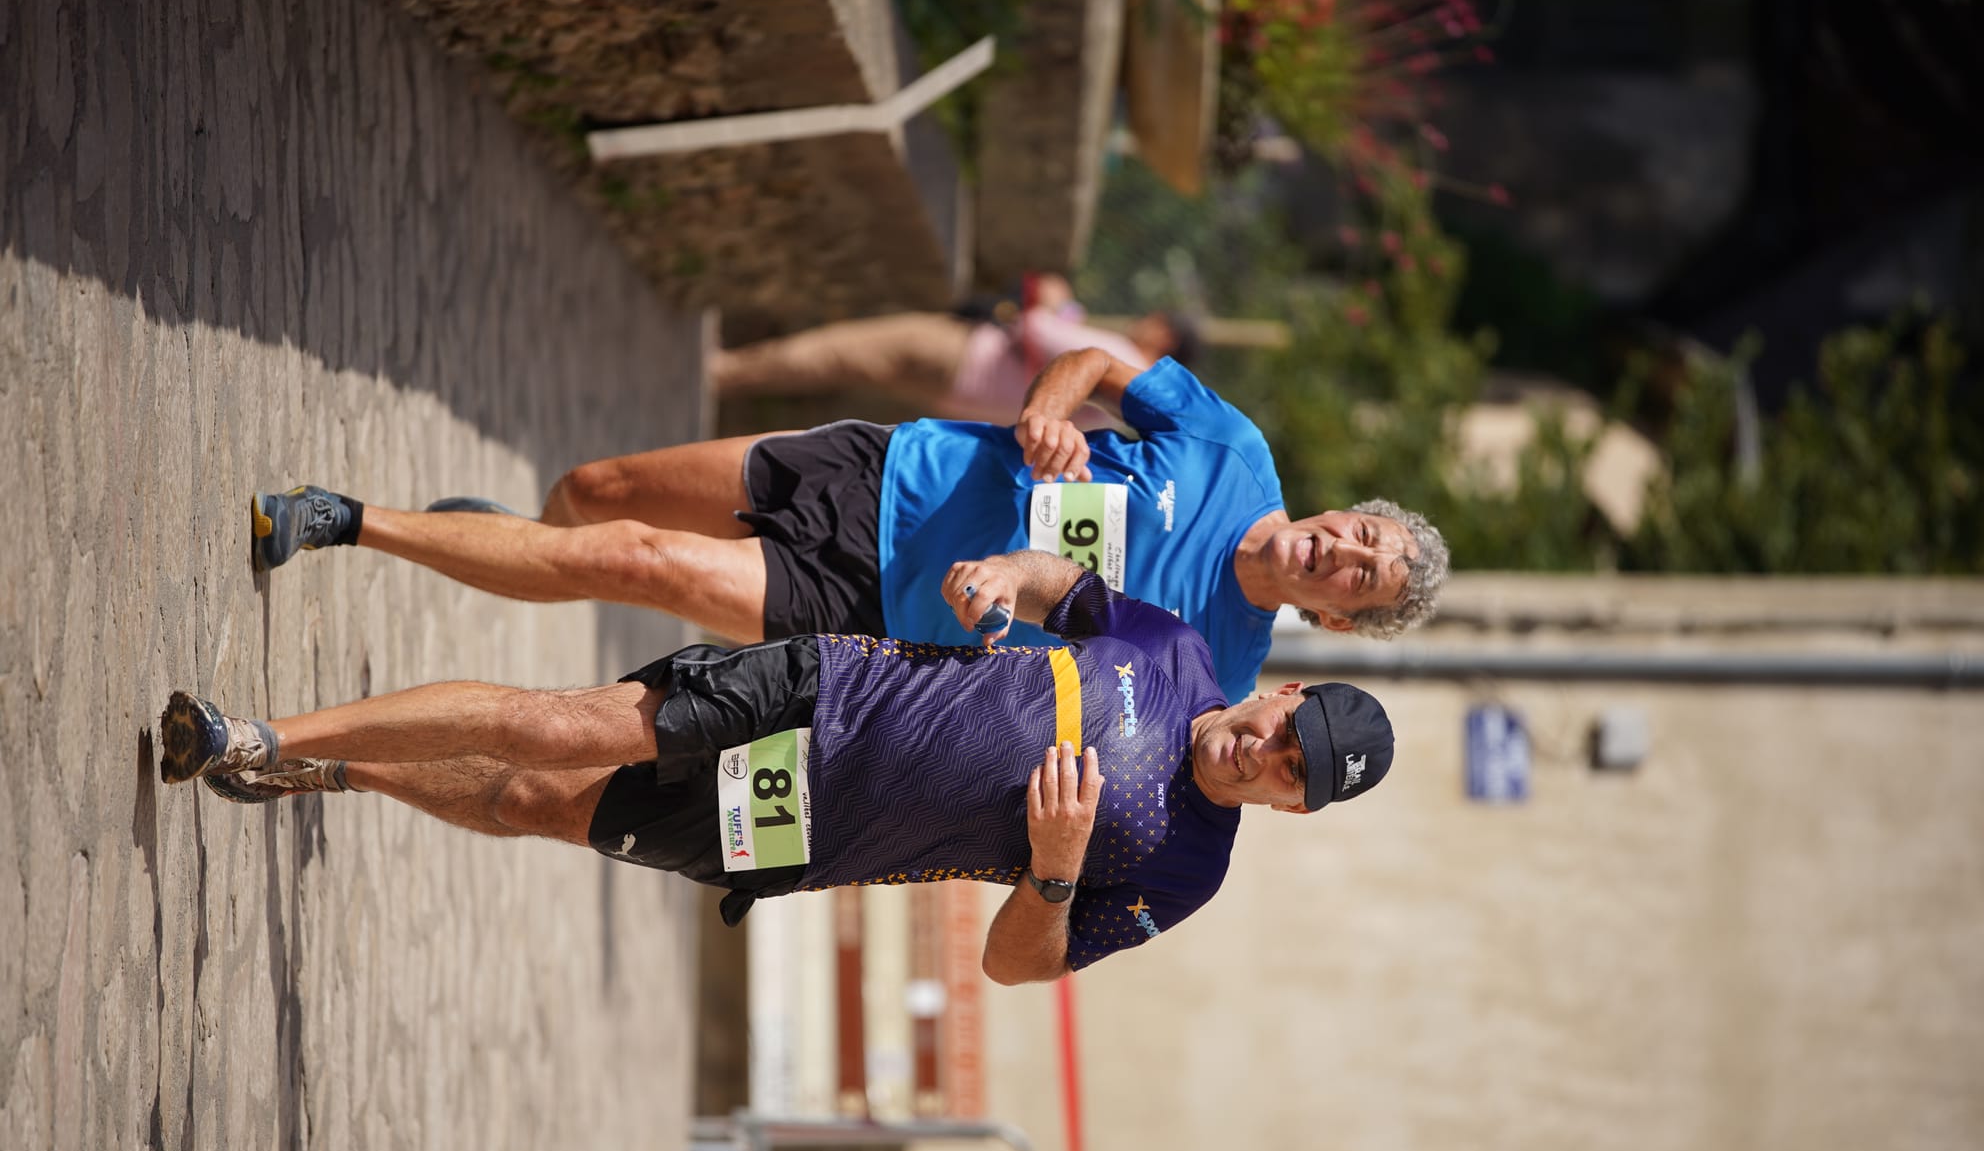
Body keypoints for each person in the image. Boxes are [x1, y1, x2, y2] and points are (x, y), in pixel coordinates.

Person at [156, 552, 1396, 982]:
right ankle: (264, 734)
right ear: (1279, 687)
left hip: (803, 830)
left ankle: (343, 774)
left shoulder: (1183, 869)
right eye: (1287, 728)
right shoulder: (1170, 648)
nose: (1265, 754)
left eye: (1292, 774)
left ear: (1292, 806)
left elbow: (1011, 966)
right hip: (825, 690)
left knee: (535, 800)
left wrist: (1058, 871)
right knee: (556, 726)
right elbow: (1050, 581)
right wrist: (996, 580)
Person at [250, 348, 1449, 703]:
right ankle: (502, 538)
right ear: (1345, 515)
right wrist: (1042, 412)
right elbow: (1087, 359)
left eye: (1361, 578)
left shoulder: (1217, 667)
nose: (1340, 553)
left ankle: (352, 522)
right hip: (886, 475)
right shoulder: (1234, 450)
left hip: (880, 609)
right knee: (598, 491)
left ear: (1343, 618)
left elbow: (1067, 705)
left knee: (627, 563)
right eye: (1360, 535)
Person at [711, 273, 1196, 424]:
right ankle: (732, 376)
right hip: (965, 398)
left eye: (1158, 321)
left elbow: (1037, 332)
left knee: (837, 350)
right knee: (843, 368)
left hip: (963, 355)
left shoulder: (1119, 356)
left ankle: (724, 372)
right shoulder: (1129, 403)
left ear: (1165, 338)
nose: (1146, 320)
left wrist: (1053, 303)